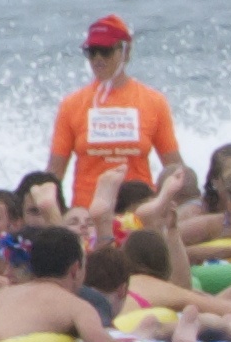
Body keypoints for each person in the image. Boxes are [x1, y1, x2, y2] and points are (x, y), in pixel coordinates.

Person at [48, 15, 181, 217]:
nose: (98, 59)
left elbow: (174, 168)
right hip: (87, 214)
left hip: (139, 211)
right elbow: (54, 175)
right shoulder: (71, 105)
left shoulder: (154, 101)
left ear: (125, 52)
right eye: (92, 52)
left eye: (106, 51)